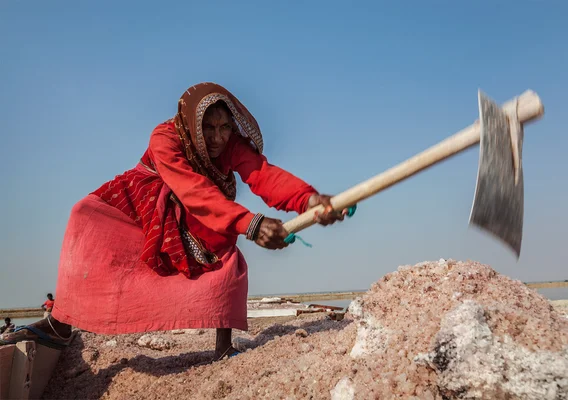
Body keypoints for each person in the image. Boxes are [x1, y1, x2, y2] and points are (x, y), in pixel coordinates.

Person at [0, 82, 348, 360]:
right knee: (85, 220)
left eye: (225, 127)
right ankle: (60, 321)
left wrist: (310, 199)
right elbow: (191, 188)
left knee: (220, 249)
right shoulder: (165, 137)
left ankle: (223, 344)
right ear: (192, 124)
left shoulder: (232, 146)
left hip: (197, 205)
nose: (217, 137)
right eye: (209, 128)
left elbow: (263, 174)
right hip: (141, 200)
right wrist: (251, 224)